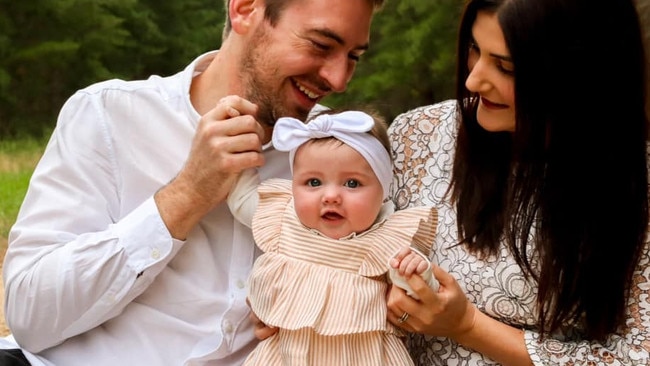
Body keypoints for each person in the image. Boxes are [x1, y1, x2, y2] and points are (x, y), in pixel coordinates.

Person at [0, 0, 385, 365]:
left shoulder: (345, 151)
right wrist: (186, 194)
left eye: (353, 57)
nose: (338, 79)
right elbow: (29, 315)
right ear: (245, 9)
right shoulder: (107, 115)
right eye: (321, 45)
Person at [385, 0, 650, 364]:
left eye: (506, 67)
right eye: (474, 50)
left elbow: (637, 354)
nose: (473, 80)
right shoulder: (417, 135)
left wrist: (467, 325)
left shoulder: (639, 183)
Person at [226, 109, 438, 365]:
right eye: (314, 182)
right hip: (286, 356)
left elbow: (419, 296)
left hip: (366, 357)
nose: (330, 196)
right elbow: (241, 197)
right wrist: (234, 140)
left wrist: (416, 273)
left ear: (382, 191)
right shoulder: (284, 218)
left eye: (352, 184)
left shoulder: (387, 238)